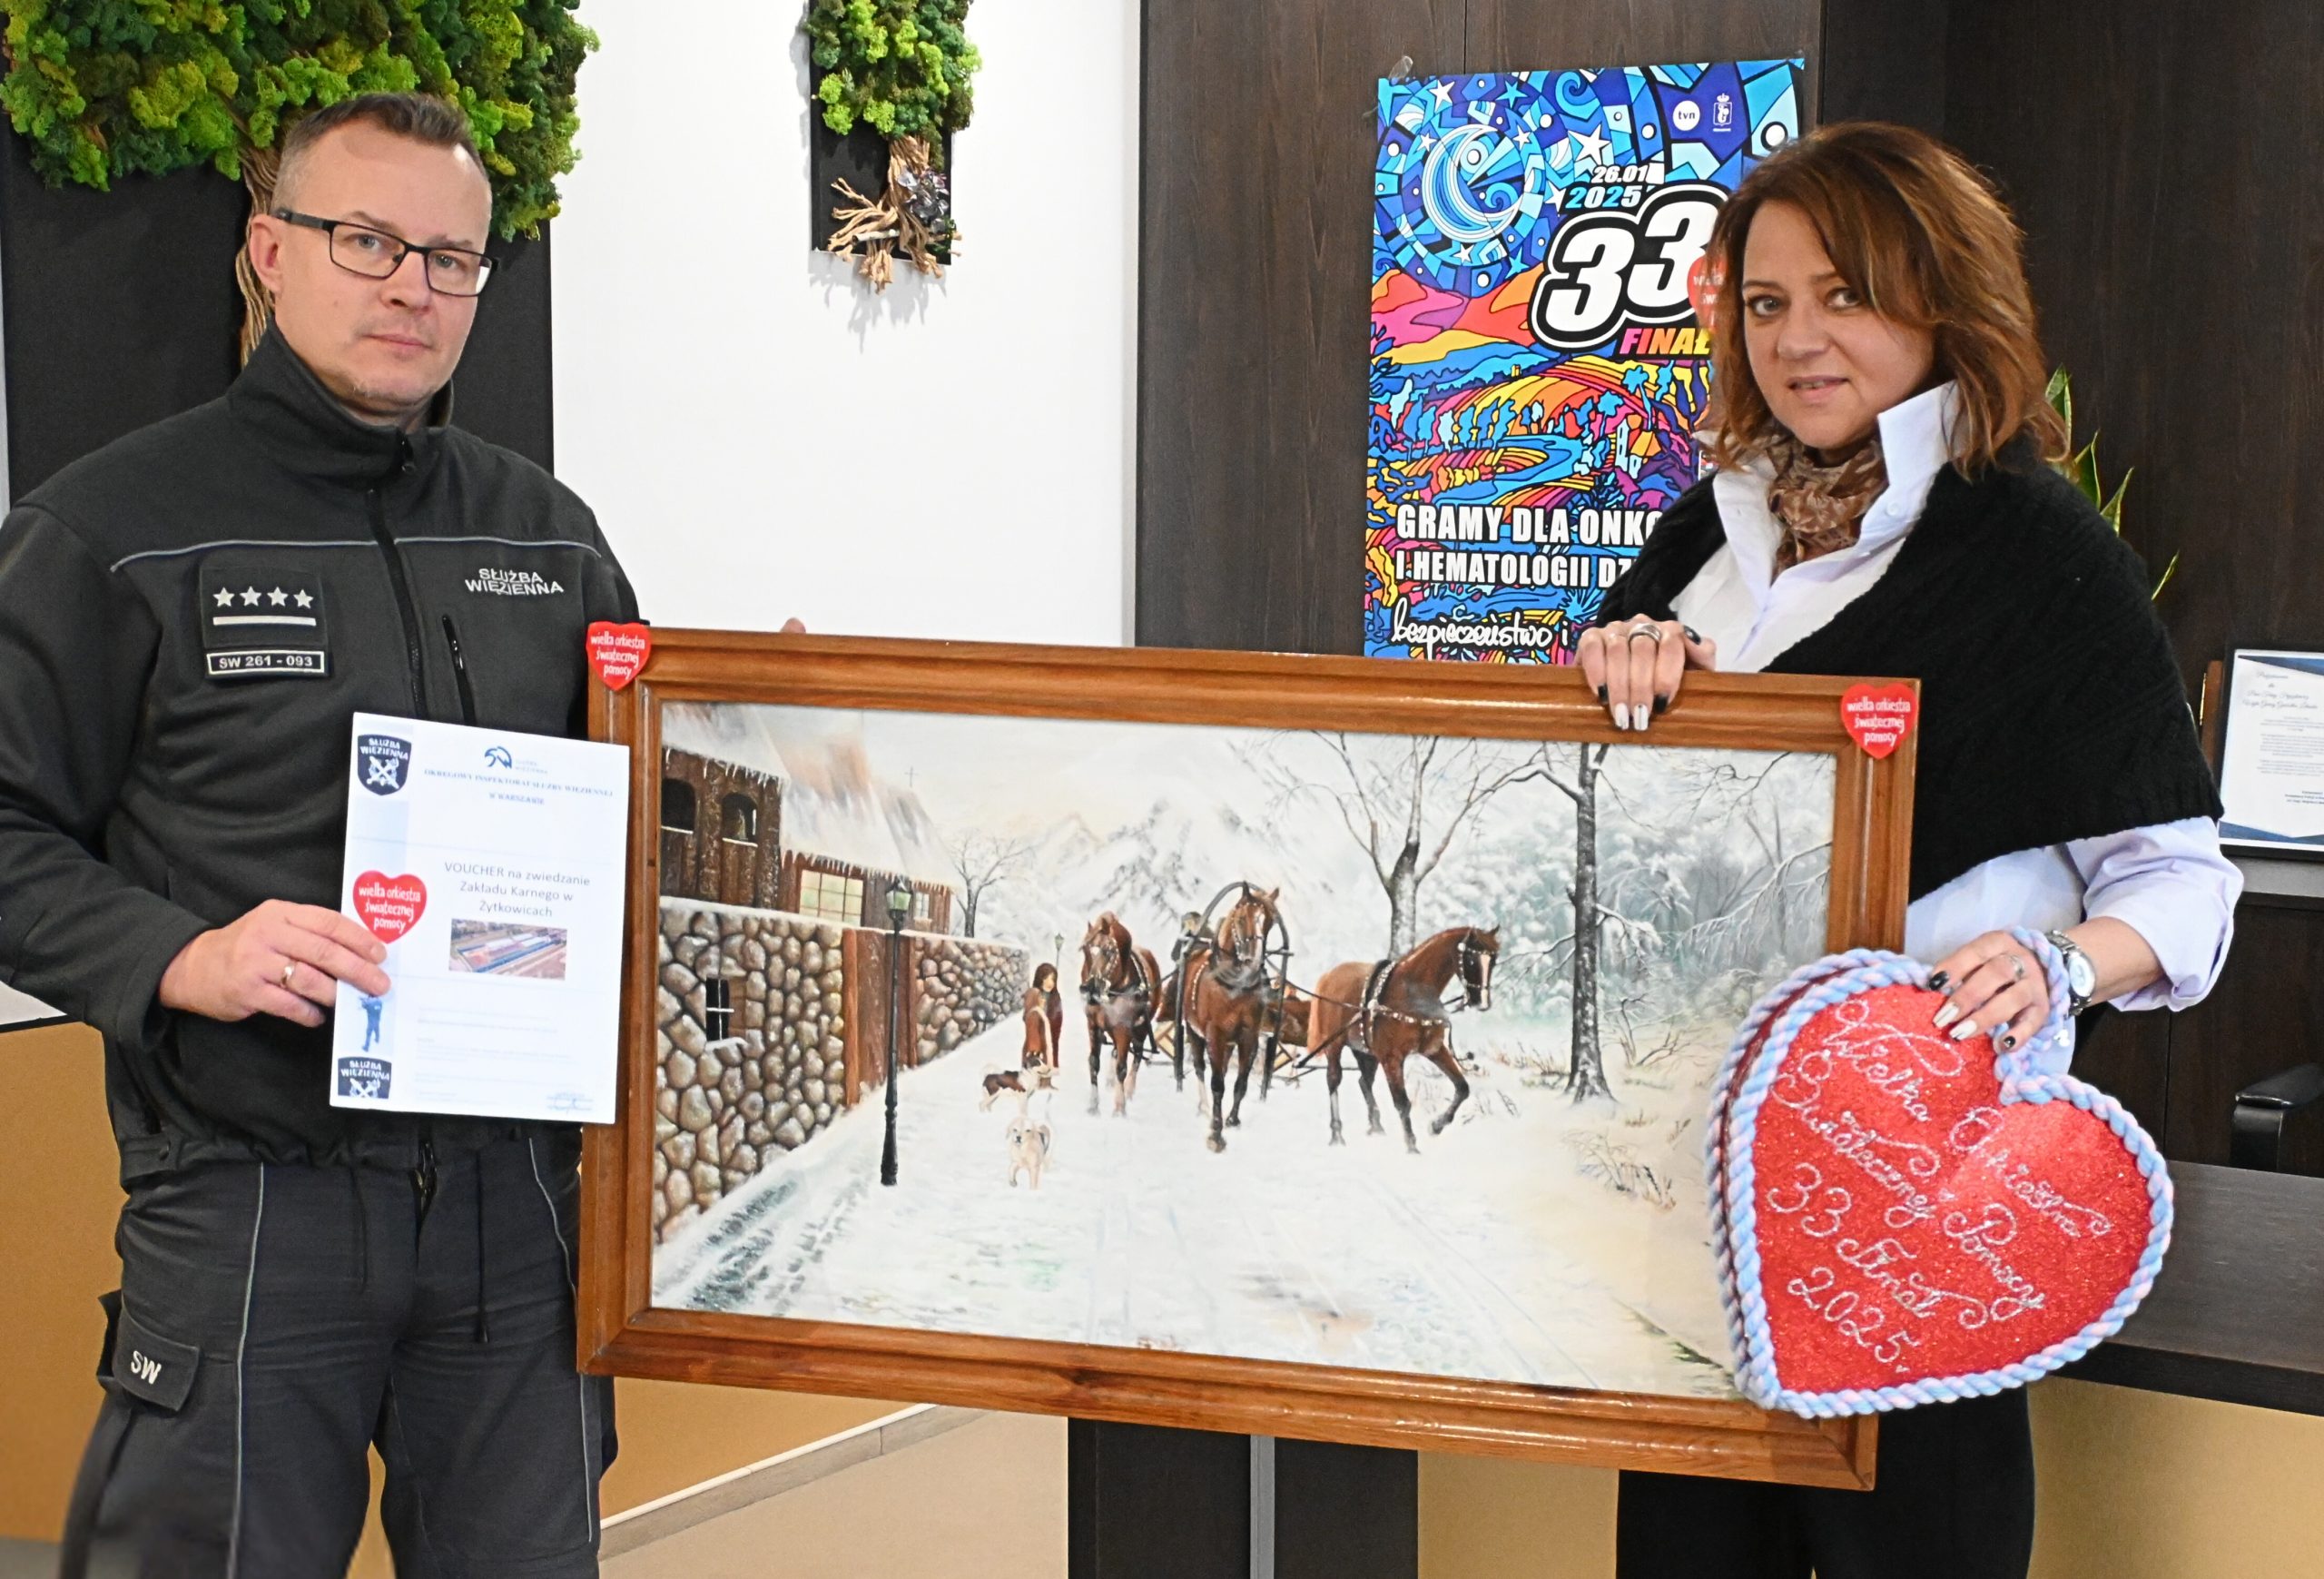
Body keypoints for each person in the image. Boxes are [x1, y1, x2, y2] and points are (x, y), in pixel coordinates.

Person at [1580, 122, 2239, 1579]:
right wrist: (1621, 662)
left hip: (1919, 1220)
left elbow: (2182, 887)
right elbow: (1601, 810)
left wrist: (2062, 964)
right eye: (1765, 304)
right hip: (1695, 1221)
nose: (1801, 341)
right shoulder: (1705, 533)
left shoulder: (2038, 553)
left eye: (1846, 294)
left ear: (1942, 297)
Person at [0, 94, 635, 1574]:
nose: (412, 284)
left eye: (453, 257)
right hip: (247, 1201)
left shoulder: (550, 536)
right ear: (266, 255)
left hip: (518, 1212)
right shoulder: (113, 531)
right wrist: (178, 955)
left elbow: (644, 803)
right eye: (367, 241)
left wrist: (757, 719)